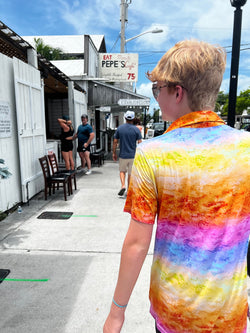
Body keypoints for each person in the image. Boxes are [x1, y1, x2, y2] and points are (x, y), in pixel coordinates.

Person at [103, 40, 250, 333]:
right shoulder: (246, 147)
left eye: (158, 89)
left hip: (175, 311)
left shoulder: (153, 154)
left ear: (177, 92)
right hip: (228, 309)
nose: (156, 96)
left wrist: (116, 313)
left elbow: (137, 243)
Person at [112, 110, 142, 197]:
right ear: (133, 119)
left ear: (125, 118)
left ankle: (123, 185)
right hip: (133, 155)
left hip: (123, 155)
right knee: (130, 173)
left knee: (122, 171)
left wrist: (114, 152)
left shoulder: (120, 128)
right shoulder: (136, 130)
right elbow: (140, 142)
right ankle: (129, 190)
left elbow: (115, 141)